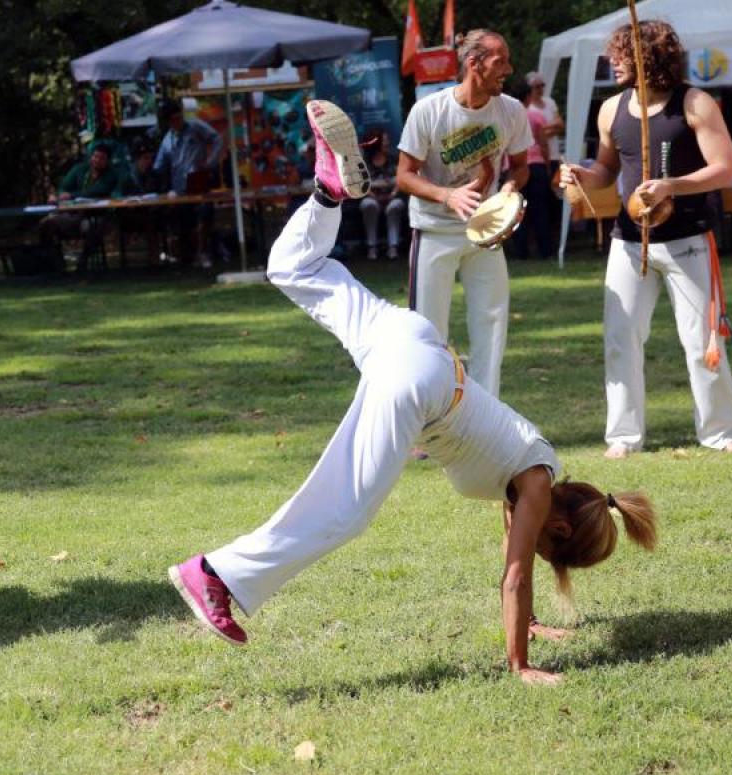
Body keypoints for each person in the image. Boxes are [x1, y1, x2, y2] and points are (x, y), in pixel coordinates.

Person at [169, 101, 657, 687]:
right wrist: (520, 666)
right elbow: (515, 575)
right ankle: (215, 574)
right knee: (345, 511)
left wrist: (526, 625)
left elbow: (516, 563)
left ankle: (327, 192)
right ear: (556, 530)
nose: (536, 550)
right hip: (420, 385)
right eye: (553, 552)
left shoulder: (537, 471)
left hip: (417, 345)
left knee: (293, 268)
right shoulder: (531, 488)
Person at [558, 20, 732, 460]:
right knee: (620, 338)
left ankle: (719, 433)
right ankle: (623, 437)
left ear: (651, 57)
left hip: (688, 239)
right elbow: (606, 172)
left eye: (623, 55)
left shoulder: (695, 103)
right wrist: (583, 175)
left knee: (703, 340)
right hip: (628, 242)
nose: (614, 62)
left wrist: (671, 186)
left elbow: (723, 167)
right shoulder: (611, 109)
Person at [397, 29, 531, 398]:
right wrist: (447, 195)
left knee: (491, 322)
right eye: (499, 60)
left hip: (485, 230)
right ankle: (428, 419)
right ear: (474, 64)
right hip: (434, 228)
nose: (509, 68)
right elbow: (403, 176)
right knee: (427, 330)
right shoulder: (429, 110)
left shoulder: (511, 110)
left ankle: (486, 415)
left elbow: (521, 166)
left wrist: (509, 186)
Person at [153, 99, 223, 268]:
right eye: (173, 119)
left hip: (199, 184)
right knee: (183, 222)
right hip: (179, 190)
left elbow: (217, 139)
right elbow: (159, 165)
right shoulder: (167, 139)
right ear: (168, 121)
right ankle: (187, 256)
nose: (178, 121)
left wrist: (210, 162)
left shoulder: (196, 127)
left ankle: (203, 252)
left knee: (204, 215)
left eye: (179, 117)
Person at [40, 142, 128, 263]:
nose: (97, 160)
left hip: (96, 215)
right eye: (95, 156)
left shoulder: (111, 175)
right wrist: (57, 196)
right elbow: (64, 187)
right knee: (46, 224)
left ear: (107, 161)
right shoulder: (79, 169)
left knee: (93, 227)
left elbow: (96, 191)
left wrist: (71, 195)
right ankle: (55, 264)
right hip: (72, 213)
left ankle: (83, 263)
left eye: (102, 158)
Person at [509, 78, 558, 260]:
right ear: (528, 96)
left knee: (517, 210)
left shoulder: (509, 117)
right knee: (540, 210)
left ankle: (521, 251)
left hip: (515, 168)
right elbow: (543, 144)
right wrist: (546, 165)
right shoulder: (535, 116)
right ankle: (545, 250)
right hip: (536, 165)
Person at [359, 129, 406, 260]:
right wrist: (373, 195)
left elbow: (401, 179)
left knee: (395, 207)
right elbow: (361, 183)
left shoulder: (393, 158)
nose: (387, 143)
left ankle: (393, 246)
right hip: (372, 197)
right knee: (368, 205)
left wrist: (393, 194)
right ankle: (372, 246)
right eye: (385, 141)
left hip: (392, 196)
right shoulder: (365, 162)